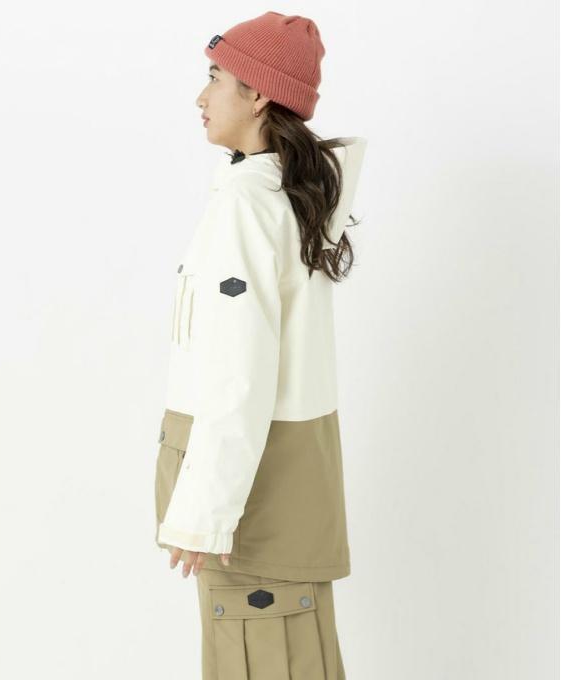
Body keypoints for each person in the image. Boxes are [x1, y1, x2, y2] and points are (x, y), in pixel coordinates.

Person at [153, 11, 367, 679]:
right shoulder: (283, 197)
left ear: (259, 95)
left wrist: (205, 514)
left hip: (251, 507)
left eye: (216, 77)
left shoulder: (248, 206)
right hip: (273, 494)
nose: (201, 96)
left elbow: (236, 373)